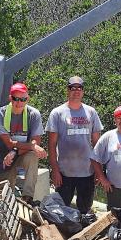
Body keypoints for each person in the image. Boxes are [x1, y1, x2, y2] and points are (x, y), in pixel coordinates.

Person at [45, 76, 103, 213]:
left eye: (79, 88)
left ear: (83, 91)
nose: (76, 91)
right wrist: (55, 170)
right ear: (67, 90)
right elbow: (52, 144)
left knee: (85, 209)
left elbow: (97, 144)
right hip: (64, 172)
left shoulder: (91, 112)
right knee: (62, 210)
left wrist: (98, 170)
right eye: (72, 88)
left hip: (87, 171)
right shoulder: (57, 113)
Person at [0, 82, 48, 205]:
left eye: (23, 99)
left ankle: (27, 198)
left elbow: (36, 141)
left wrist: (16, 151)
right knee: (4, 196)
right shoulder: (0, 114)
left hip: (20, 154)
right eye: (16, 99)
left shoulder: (34, 114)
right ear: (10, 98)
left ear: (28, 99)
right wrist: (31, 146)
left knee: (33, 156)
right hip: (3, 158)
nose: (19, 103)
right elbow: (9, 143)